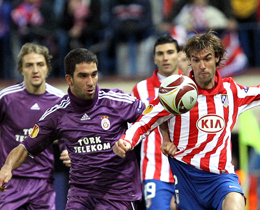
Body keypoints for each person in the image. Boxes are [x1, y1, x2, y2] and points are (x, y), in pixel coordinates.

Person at [112, 31, 256, 210]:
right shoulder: (176, 92)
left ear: (217, 58)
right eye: (196, 60)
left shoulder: (231, 91)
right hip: (187, 180)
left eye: (207, 58)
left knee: (235, 202)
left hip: (221, 177)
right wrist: (127, 141)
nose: (202, 65)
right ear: (189, 61)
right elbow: (144, 121)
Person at [0, 48, 146, 209]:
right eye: (83, 76)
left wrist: (131, 138)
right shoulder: (57, 114)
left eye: (94, 74)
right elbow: (26, 146)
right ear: (69, 79)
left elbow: (152, 116)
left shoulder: (116, 101)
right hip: (81, 195)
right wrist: (7, 167)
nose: (90, 82)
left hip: (118, 194)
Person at [0, 43, 70, 209]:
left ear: (48, 68)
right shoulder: (6, 98)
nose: (35, 70)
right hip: (10, 181)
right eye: (29, 65)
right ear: (21, 69)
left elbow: (67, 133)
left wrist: (67, 149)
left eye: (40, 64)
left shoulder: (60, 101)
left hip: (43, 183)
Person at [132, 35, 181, 210]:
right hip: (154, 171)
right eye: (160, 54)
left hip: (190, 171)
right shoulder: (140, 89)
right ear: (154, 58)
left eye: (170, 52)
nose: (165, 57)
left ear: (179, 54)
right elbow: (133, 129)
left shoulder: (192, 85)